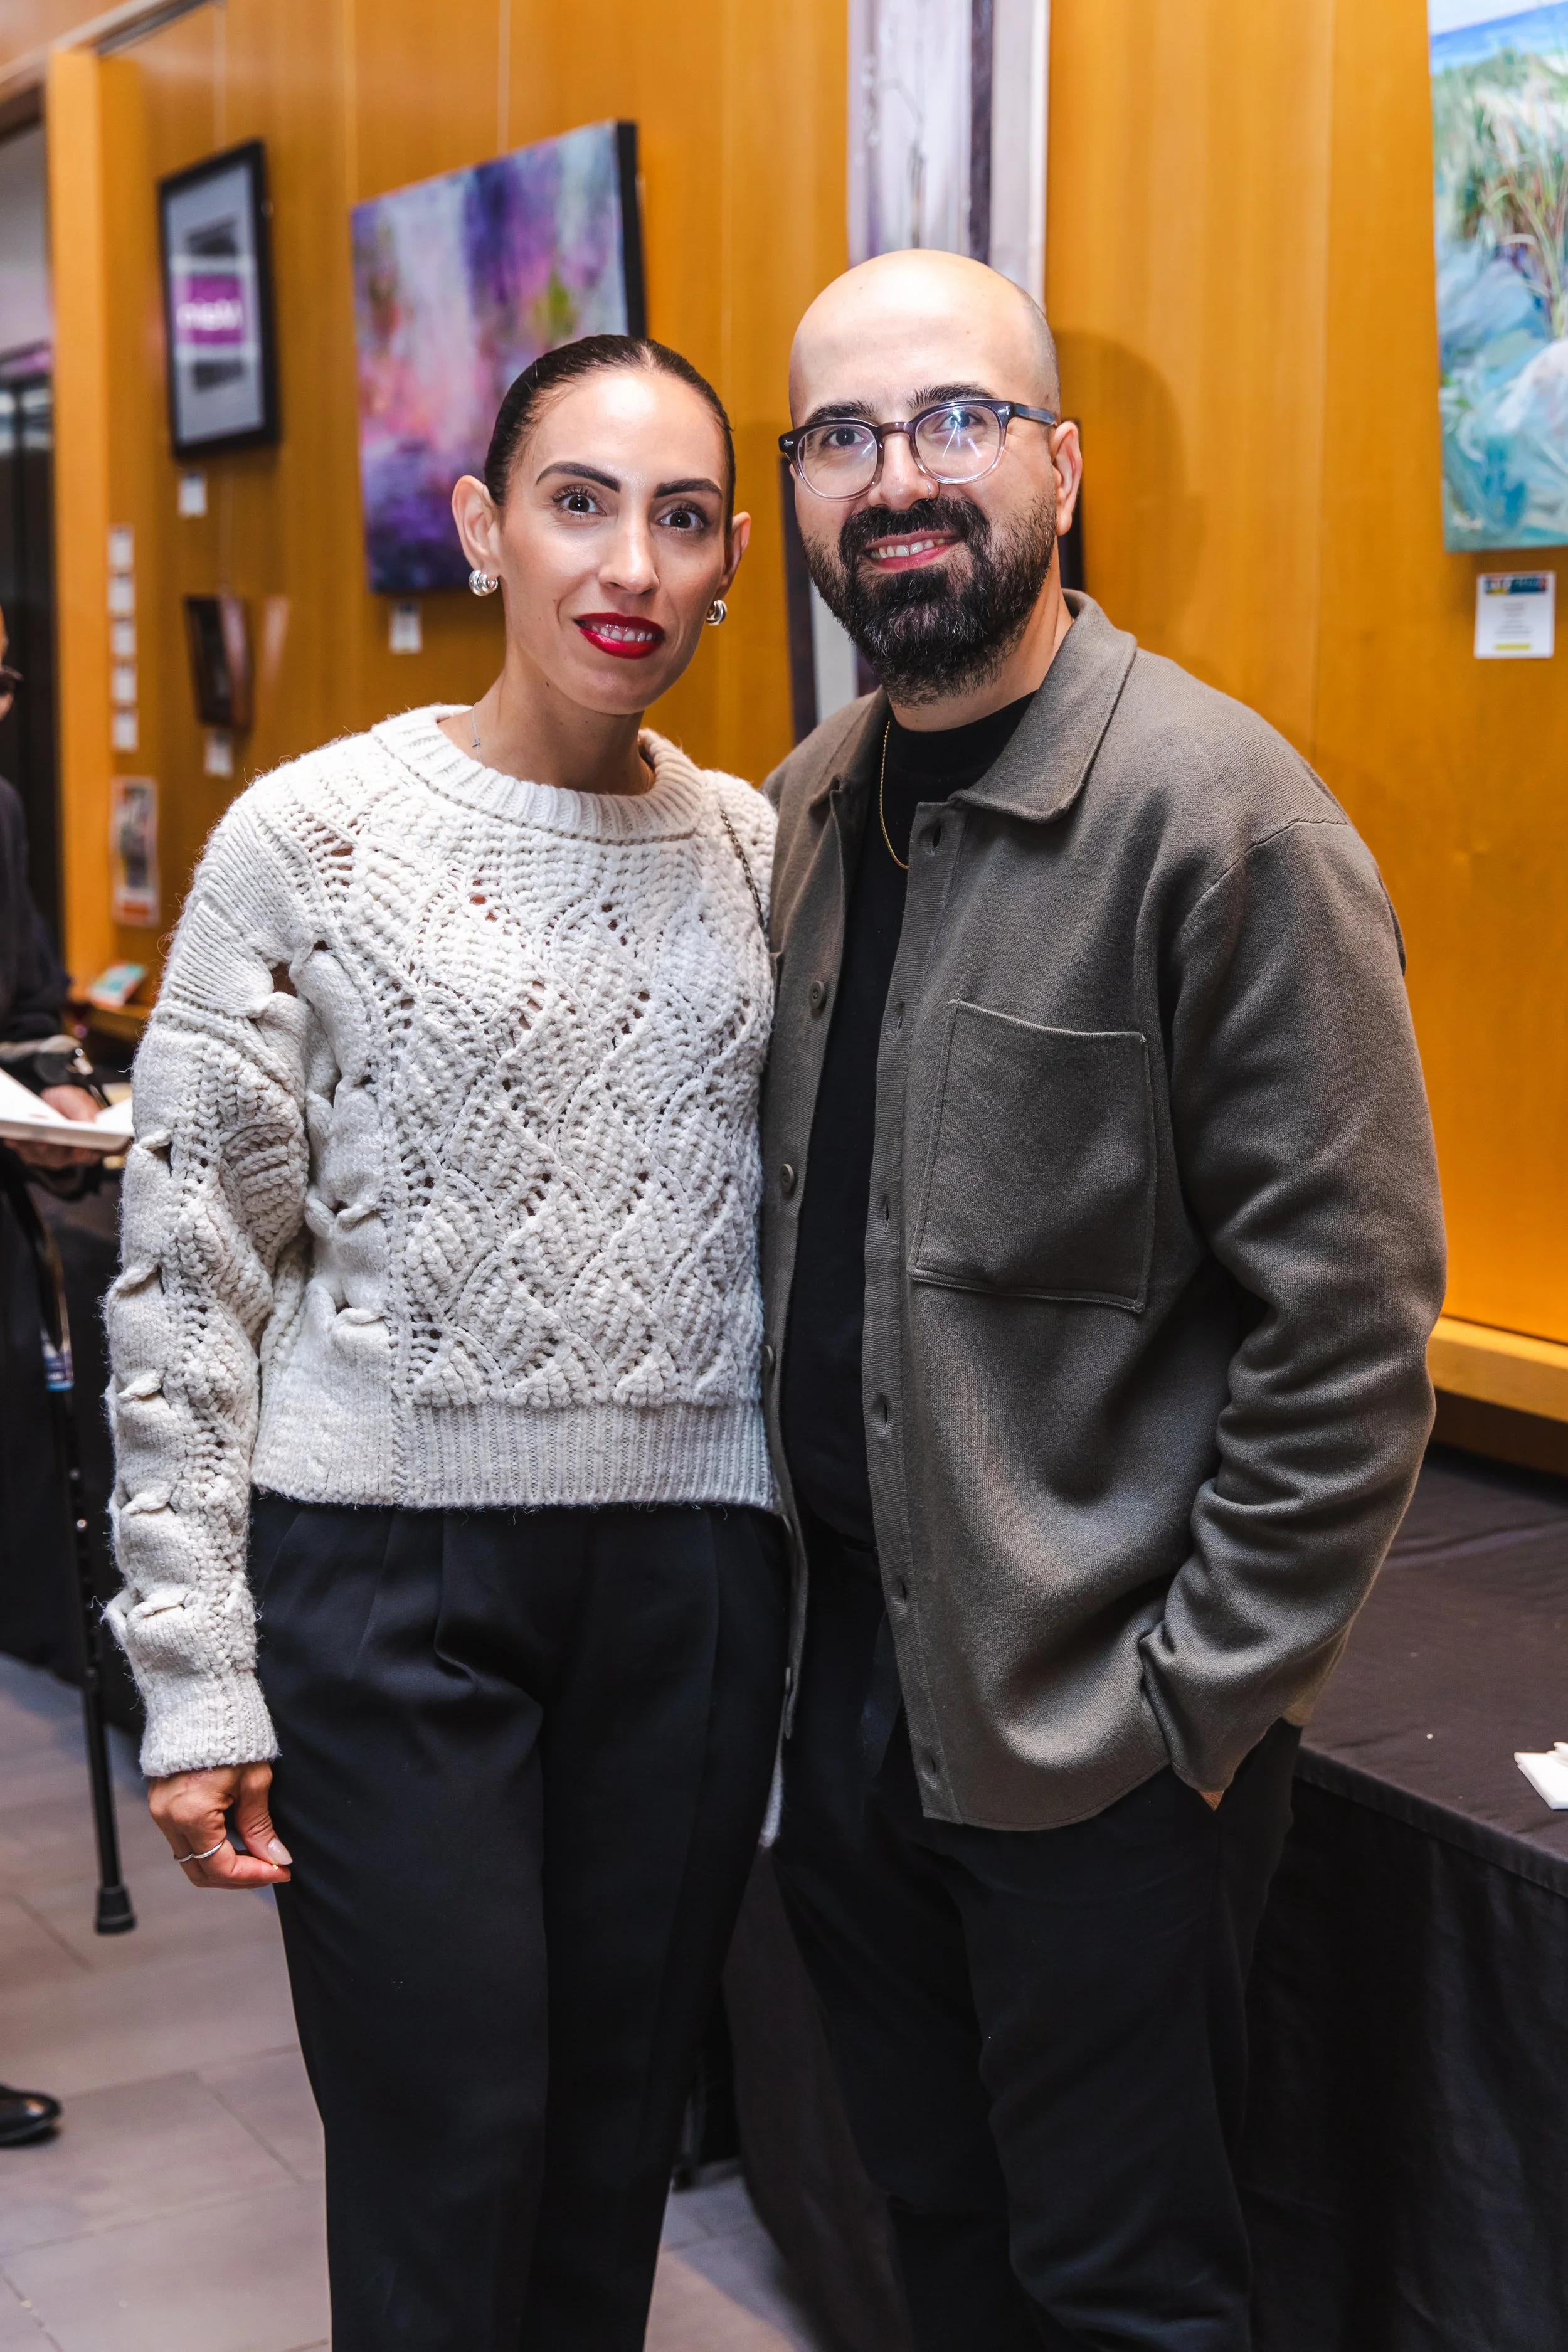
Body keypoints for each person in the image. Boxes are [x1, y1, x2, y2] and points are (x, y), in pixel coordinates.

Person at [761, 249, 1446, 2351]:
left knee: (1125, 2295)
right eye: (841, 434)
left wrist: (1193, 1709)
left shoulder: (1219, 818)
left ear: (1058, 468)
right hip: (845, 1702)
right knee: (933, 2240)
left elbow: (1351, 1328)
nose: (898, 476)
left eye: (954, 418)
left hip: (1097, 1751)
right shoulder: (804, 808)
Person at [106, 336, 785, 2352]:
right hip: (391, 1580)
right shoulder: (310, 836)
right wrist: (193, 1669)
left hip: (691, 1579)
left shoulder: (758, 847)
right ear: (483, 525)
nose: (630, 565)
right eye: (580, 502)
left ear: (733, 560)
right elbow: (185, 1271)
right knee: (450, 2157)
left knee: (608, 2161)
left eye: (681, 519)